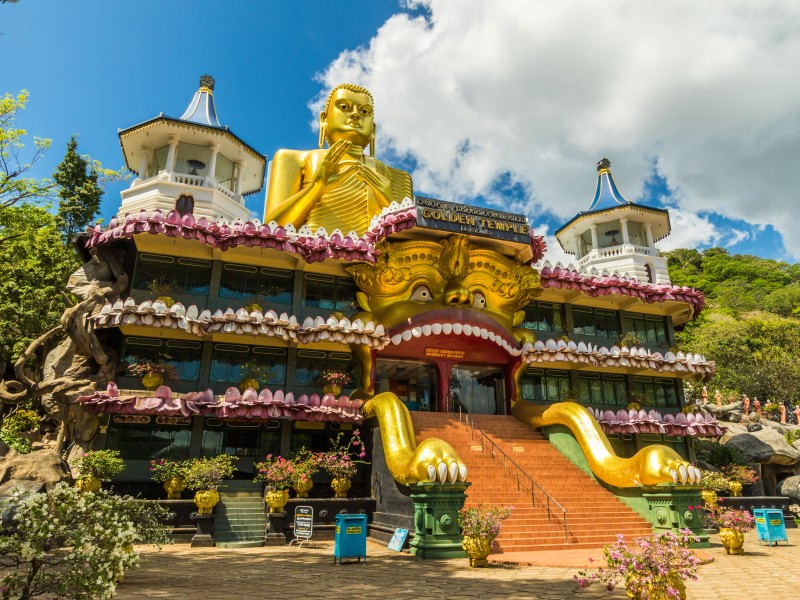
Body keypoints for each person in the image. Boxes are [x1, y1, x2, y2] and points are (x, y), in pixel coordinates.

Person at [264, 83, 413, 236]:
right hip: (312, 258)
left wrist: (388, 204)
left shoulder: (397, 178)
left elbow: (408, 246)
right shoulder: (296, 159)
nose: (356, 115)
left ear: (373, 130)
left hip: (375, 259)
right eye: (344, 107)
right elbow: (271, 229)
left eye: (364, 111)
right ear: (324, 119)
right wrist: (316, 188)